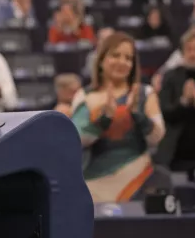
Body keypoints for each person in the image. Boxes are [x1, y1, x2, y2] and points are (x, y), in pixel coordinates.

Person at [71, 32, 165, 203]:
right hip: (93, 184)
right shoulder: (85, 96)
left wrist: (138, 115)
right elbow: (77, 138)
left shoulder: (145, 93)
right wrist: (103, 119)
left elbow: (156, 138)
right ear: (101, 60)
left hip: (138, 178)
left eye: (128, 58)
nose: (122, 62)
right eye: (115, 55)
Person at [156, 28, 195, 174]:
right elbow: (164, 112)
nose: (193, 54)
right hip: (175, 153)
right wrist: (183, 102)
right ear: (182, 53)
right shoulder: (170, 76)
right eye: (189, 49)